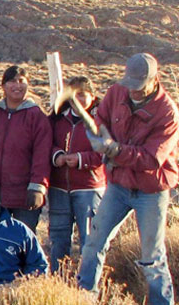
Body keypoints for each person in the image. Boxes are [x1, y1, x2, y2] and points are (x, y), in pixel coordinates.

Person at [78, 53, 179, 304]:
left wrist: (115, 150)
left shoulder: (167, 111)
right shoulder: (117, 92)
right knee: (94, 242)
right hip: (119, 185)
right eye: (130, 83)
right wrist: (98, 133)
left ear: (154, 79)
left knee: (152, 257)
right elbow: (100, 116)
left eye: (139, 84)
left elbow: (151, 159)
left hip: (151, 190)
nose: (133, 90)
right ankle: (83, 297)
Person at [47, 76, 106, 271]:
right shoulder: (56, 118)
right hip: (59, 188)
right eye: (73, 94)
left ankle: (87, 284)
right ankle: (59, 280)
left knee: (89, 240)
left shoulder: (100, 121)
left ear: (92, 96)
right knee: (58, 238)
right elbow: (45, 143)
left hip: (89, 188)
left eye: (82, 94)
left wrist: (82, 159)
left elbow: (105, 152)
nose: (78, 99)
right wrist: (57, 155)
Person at [0, 65, 51, 232]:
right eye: (12, 81)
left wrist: (38, 186)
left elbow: (42, 153)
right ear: (3, 86)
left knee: (23, 242)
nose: (17, 86)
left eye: (21, 81)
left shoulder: (36, 116)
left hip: (25, 195)